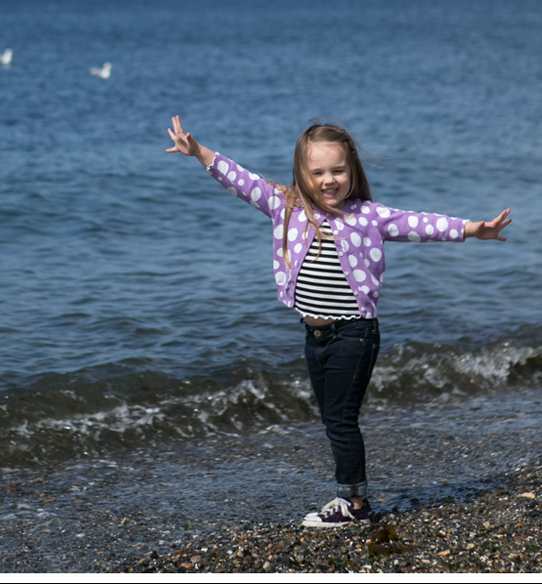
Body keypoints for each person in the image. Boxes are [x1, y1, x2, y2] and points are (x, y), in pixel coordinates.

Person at [166, 115, 511, 528]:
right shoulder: (287, 206)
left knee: (341, 420)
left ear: (352, 171)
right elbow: (243, 181)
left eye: (338, 170)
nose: (329, 180)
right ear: (302, 174)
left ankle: (353, 503)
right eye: (318, 173)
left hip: (355, 333)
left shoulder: (367, 216)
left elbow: (420, 223)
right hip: (315, 335)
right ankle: (351, 497)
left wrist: (473, 229)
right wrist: (200, 152)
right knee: (332, 419)